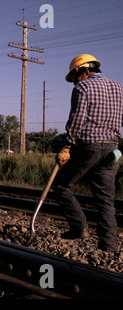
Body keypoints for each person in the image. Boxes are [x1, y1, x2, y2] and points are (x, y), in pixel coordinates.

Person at [52, 54, 123, 254]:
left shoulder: (82, 87)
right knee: (105, 201)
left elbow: (77, 119)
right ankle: (108, 249)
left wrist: (67, 146)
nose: (74, 82)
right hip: (112, 148)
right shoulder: (118, 87)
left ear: (82, 71)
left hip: (88, 146)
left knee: (61, 185)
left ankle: (79, 227)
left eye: (75, 77)